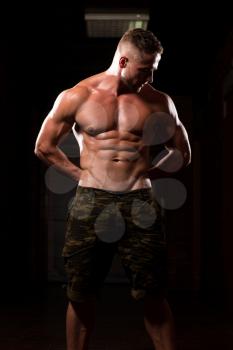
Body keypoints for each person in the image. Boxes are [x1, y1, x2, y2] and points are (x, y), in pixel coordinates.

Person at [35, 28, 191, 350]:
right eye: (144, 70)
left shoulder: (160, 102)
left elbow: (182, 151)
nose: (149, 78)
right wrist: (80, 175)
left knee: (154, 294)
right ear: (123, 61)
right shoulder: (78, 95)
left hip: (140, 202)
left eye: (153, 71)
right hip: (92, 201)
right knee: (80, 294)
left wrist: (152, 169)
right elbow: (44, 146)